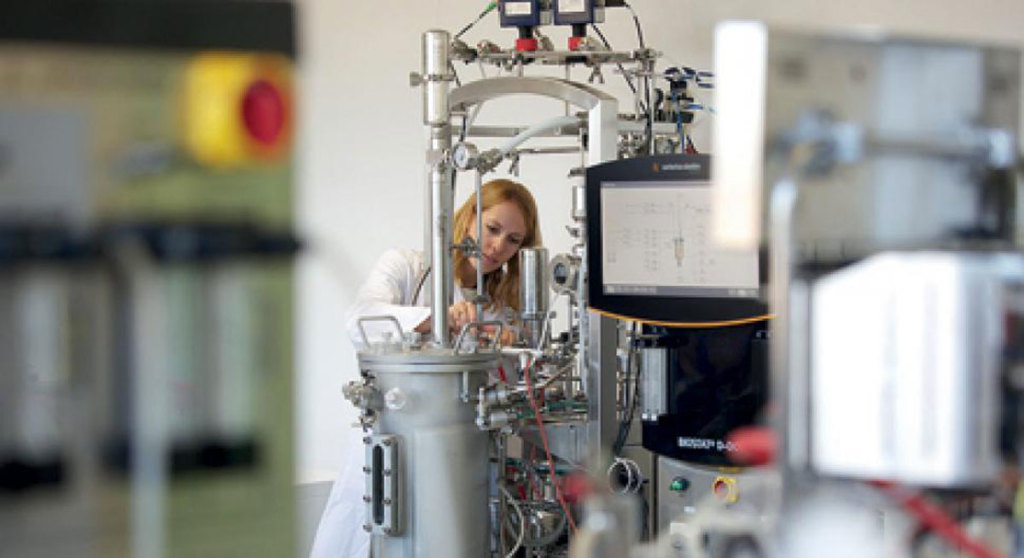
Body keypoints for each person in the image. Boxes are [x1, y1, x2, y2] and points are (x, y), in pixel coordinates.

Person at [309, 178, 542, 558]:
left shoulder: (501, 309)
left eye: (513, 240)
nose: (498, 246)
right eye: (492, 228)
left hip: (461, 457)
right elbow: (360, 319)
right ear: (468, 218)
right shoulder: (407, 267)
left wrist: (508, 344)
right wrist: (437, 319)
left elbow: (516, 392)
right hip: (393, 443)